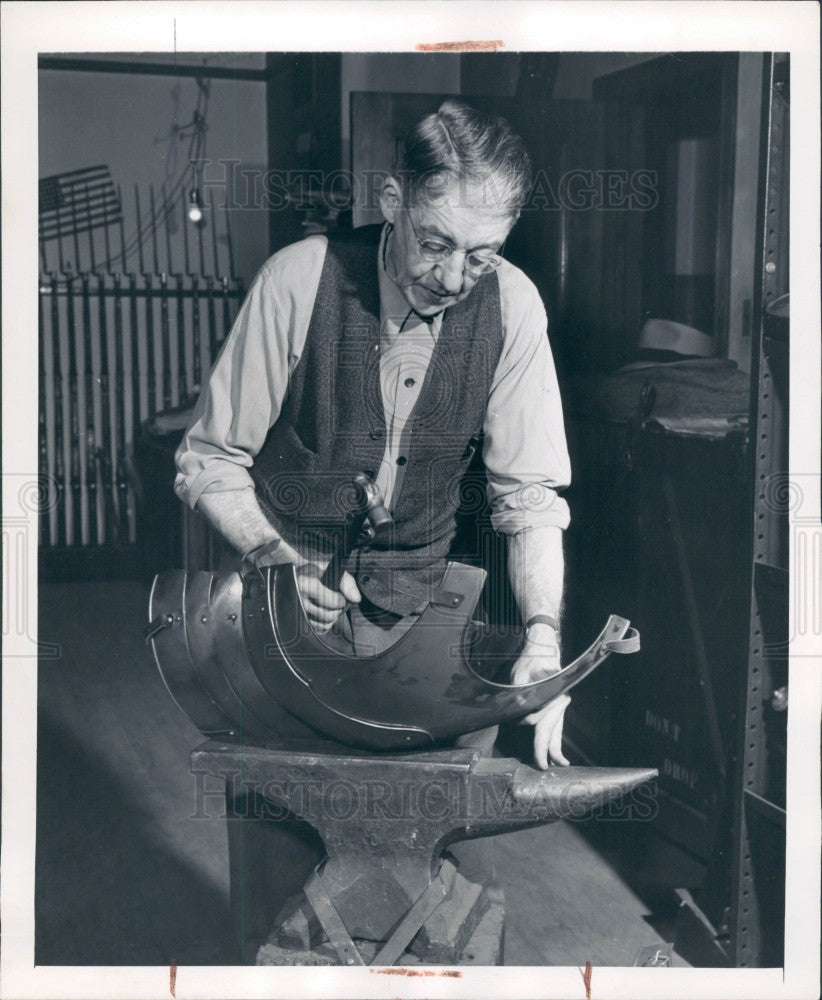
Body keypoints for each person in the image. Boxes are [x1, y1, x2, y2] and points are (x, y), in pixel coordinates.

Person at [175, 99, 572, 772]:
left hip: (415, 610)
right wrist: (273, 556)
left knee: (424, 815)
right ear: (393, 199)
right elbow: (209, 458)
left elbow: (529, 496)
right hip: (286, 604)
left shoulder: (514, 305)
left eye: (481, 255)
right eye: (436, 243)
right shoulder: (298, 280)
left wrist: (543, 635)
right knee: (283, 815)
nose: (452, 279)